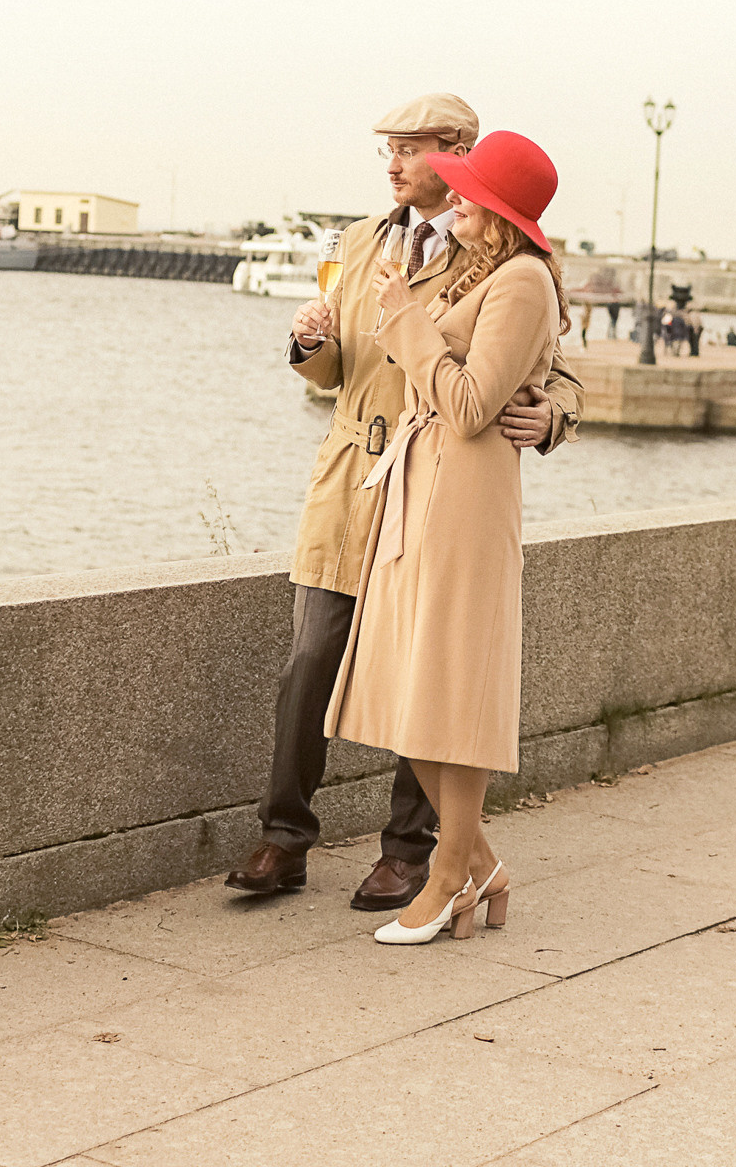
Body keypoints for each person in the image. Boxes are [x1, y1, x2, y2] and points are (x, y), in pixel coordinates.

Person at [227, 94, 583, 912]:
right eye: (384, 149)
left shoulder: (489, 253)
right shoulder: (358, 242)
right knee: (310, 659)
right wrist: (310, 348)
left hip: (436, 482)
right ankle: (284, 839)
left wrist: (553, 413)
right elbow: (343, 369)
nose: (391, 163)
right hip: (352, 475)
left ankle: (410, 852)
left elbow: (545, 361)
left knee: (425, 669)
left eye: (408, 148)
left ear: (455, 152)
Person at [327, 129, 565, 944]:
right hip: (418, 486)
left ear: (498, 209)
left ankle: (447, 881)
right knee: (408, 690)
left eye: (468, 190)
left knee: (448, 693)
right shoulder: (483, 271)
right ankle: (483, 867)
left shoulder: (524, 281)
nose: (452, 195)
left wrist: (407, 323)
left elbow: (468, 407)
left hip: (462, 497)